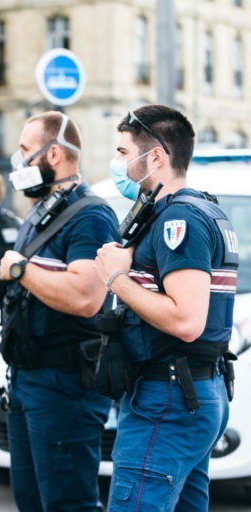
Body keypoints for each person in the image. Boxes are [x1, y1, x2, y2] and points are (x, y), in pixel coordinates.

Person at [95, 105, 237, 511]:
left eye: (123, 153)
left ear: (155, 156)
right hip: (187, 390)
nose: (117, 163)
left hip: (170, 397)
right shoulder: (199, 210)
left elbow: (187, 320)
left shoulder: (182, 220)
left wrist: (116, 279)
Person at [0, 111, 119, 511]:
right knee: (30, 499)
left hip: (65, 385)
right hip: (27, 379)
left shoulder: (91, 216)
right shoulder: (39, 212)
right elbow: (36, 282)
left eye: (26, 151)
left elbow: (87, 296)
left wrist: (19, 269)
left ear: (54, 155)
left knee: (67, 502)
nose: (20, 162)